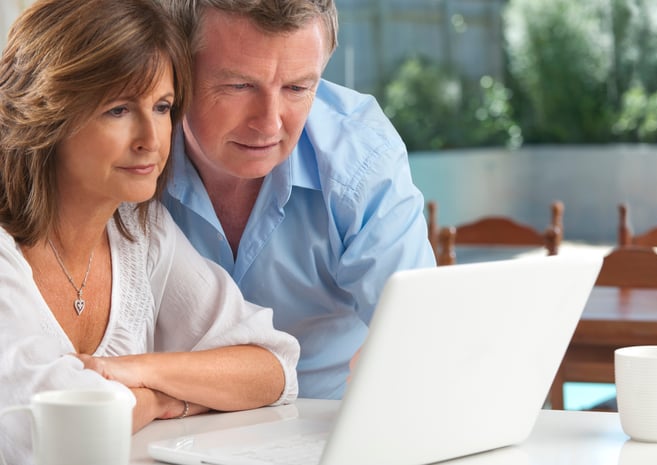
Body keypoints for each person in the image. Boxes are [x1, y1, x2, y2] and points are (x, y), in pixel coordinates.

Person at [0, 0, 299, 462]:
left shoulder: (139, 231)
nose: (152, 139)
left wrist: (134, 369)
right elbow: (41, 428)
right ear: (48, 112)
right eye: (118, 110)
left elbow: (273, 366)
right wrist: (166, 398)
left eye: (161, 107)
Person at [158, 0, 436, 400]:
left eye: (297, 88)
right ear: (177, 69)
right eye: (239, 86)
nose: (270, 122)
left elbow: (418, 328)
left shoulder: (361, 162)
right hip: (172, 429)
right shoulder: (134, 154)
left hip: (322, 430)